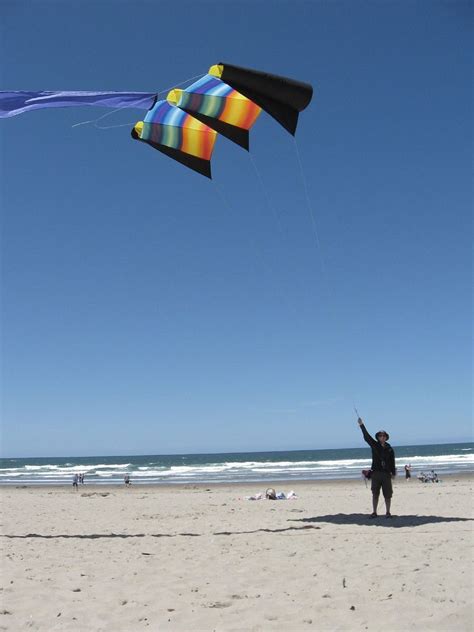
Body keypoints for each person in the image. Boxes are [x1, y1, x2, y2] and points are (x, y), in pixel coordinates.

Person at [358, 418, 396, 518]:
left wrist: (393, 473)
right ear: (378, 437)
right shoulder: (374, 445)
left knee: (388, 495)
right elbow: (366, 437)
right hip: (376, 474)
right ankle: (374, 512)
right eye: (380, 435)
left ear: (386, 437)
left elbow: (392, 462)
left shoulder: (390, 449)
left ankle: (388, 512)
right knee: (375, 494)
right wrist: (362, 425)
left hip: (386, 474)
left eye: (383, 435)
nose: (382, 437)